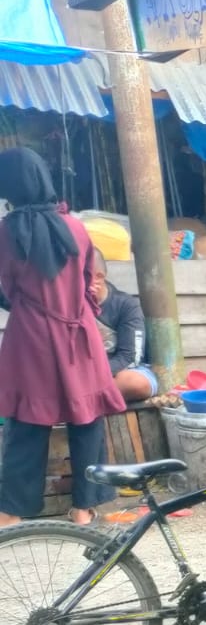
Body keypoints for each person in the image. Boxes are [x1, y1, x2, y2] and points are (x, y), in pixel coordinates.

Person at [0, 148, 124, 527]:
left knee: (27, 422)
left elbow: (6, 288)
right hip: (78, 331)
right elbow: (90, 285)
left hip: (32, 336)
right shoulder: (76, 226)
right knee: (86, 418)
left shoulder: (8, 230)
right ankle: (84, 510)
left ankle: (11, 513)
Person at [87, 247, 154, 404]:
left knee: (135, 383)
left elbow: (130, 357)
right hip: (80, 375)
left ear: (98, 277)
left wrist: (92, 375)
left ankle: (81, 401)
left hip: (118, 371)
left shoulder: (126, 305)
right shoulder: (67, 305)